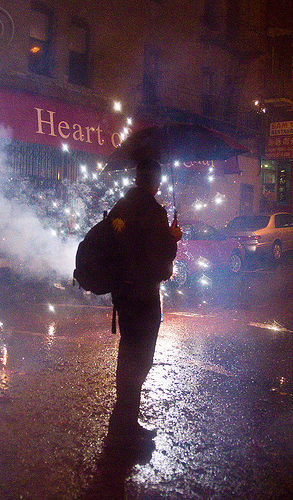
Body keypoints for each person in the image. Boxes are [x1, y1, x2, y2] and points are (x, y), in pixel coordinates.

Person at [106, 158, 182, 448]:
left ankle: (122, 422)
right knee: (141, 359)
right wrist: (173, 238)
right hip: (145, 296)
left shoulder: (120, 207)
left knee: (128, 354)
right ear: (155, 182)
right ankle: (125, 426)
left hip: (123, 296)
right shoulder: (154, 211)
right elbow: (163, 257)